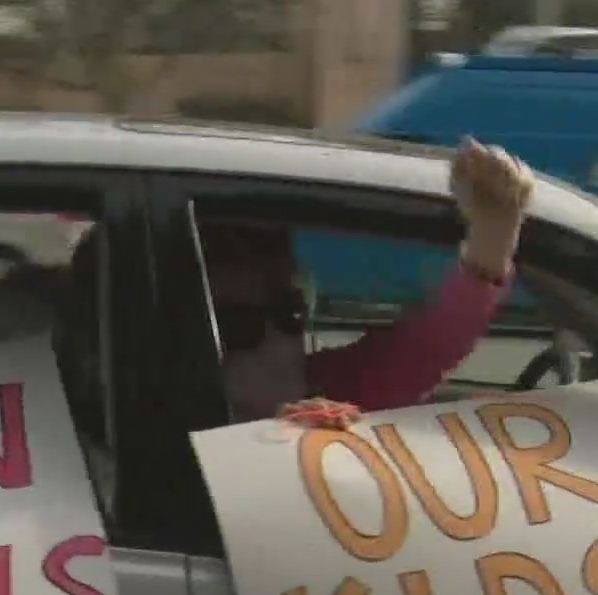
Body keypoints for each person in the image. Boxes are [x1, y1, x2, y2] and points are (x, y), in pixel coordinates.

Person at [205, 136, 536, 430]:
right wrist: (268, 453)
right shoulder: (169, 429)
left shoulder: (326, 386)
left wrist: (496, 230)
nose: (278, 345)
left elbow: (427, 347)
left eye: (289, 314)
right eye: (238, 328)